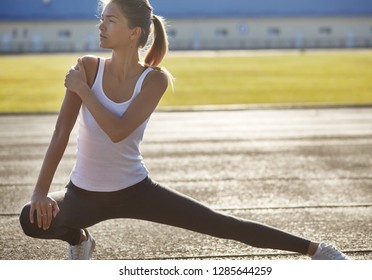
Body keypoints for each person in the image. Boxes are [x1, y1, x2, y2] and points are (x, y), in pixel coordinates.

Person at [19, 0, 349, 260]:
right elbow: (61, 133)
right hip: (83, 194)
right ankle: (80, 240)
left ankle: (317, 250)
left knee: (223, 225)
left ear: (134, 32)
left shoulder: (154, 79)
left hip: (136, 190)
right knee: (30, 219)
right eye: (101, 18)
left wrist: (83, 91)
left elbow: (117, 130)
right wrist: (40, 192)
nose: (101, 26)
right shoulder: (87, 68)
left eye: (110, 20)